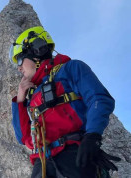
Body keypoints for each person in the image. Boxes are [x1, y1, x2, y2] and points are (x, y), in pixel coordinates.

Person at [9, 26, 120, 178]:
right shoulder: (32, 95)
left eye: (21, 59)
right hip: (41, 164)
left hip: (74, 155)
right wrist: (20, 100)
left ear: (37, 51)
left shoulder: (71, 69)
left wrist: (92, 136)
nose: (19, 67)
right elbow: (23, 138)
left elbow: (99, 99)